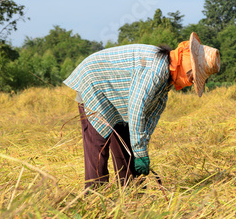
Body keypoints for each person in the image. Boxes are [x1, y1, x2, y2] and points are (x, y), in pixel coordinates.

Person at [63, 33, 220, 189]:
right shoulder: (155, 70)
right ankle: (94, 198)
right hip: (94, 83)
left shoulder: (165, 80)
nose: (191, 81)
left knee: (127, 145)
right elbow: (137, 111)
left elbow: (149, 118)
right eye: (193, 77)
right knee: (98, 147)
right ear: (187, 64)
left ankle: (132, 195)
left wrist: (141, 151)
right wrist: (140, 153)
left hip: (117, 97)